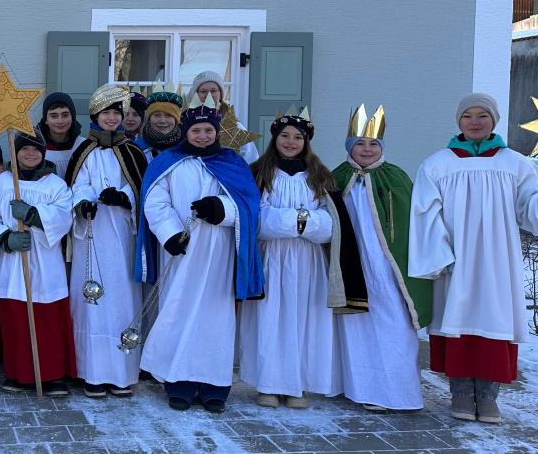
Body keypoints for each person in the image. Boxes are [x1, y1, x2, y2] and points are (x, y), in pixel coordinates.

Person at [409, 93, 538, 424]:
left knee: (495, 319)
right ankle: (462, 393)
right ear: (459, 121)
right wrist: (439, 255)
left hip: (499, 261)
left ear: (494, 120)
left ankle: (488, 395)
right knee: (458, 319)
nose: (475, 121)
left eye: (483, 115)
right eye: (468, 115)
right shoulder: (438, 163)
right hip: (456, 260)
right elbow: (425, 212)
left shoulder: (514, 163)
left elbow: (529, 207)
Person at [136, 104, 263, 413]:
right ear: (185, 132)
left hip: (219, 253)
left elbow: (249, 205)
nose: (203, 136)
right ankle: (177, 381)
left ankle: (213, 385)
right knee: (176, 311)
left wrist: (222, 209)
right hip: (181, 250)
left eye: (209, 131)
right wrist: (169, 233)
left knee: (215, 317)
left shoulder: (233, 162)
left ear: (217, 132)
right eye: (196, 130)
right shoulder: (169, 163)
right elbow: (154, 200)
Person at [238, 111, 366, 409]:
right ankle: (268, 383)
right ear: (275, 139)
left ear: (306, 141)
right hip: (271, 257)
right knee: (270, 318)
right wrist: (297, 220)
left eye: (298, 137)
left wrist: (303, 224)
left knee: (303, 319)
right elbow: (255, 216)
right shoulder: (259, 172)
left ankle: (297, 384)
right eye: (284, 136)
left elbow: (333, 221)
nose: (291, 142)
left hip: (307, 261)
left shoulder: (320, 176)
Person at [333, 105, 432, 412]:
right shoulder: (337, 176)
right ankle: (359, 388)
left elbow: (414, 222)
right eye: (360, 143)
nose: (366, 149)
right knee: (356, 324)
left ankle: (398, 393)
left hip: (389, 266)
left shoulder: (396, 177)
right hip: (352, 263)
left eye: (373, 144)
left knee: (393, 323)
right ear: (350, 146)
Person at [0, 130, 76, 396]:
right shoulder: (3, 182)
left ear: (43, 153)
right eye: (24, 150)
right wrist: (6, 238)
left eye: (36, 150)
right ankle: (19, 373)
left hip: (46, 261)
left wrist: (33, 214)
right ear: (15, 152)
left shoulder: (55, 184)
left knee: (49, 321)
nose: (30, 154)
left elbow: (65, 216)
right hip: (13, 262)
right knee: (17, 321)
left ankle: (52, 375)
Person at [64, 84, 148, 397]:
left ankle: (122, 373)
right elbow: (76, 184)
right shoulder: (82, 151)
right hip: (92, 235)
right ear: (95, 115)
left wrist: (126, 197)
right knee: (91, 305)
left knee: (122, 301)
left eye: (117, 112)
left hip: (123, 239)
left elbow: (143, 191)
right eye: (106, 112)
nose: (112, 118)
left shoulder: (134, 153)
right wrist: (83, 202)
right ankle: (93, 373)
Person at [189, 71, 259, 163]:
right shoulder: (187, 122)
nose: (209, 95)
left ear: (220, 94)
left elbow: (251, 158)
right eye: (203, 91)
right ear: (196, 94)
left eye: (213, 91)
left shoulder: (233, 126)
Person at [37, 92, 85, 178]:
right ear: (46, 120)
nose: (60, 121)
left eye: (65, 115)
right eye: (54, 116)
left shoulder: (83, 146)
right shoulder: (36, 146)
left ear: (72, 117)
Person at [135, 89, 184, 162]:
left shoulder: (186, 147)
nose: (162, 121)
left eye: (169, 115)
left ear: (176, 120)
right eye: (157, 115)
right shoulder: (136, 148)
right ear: (149, 119)